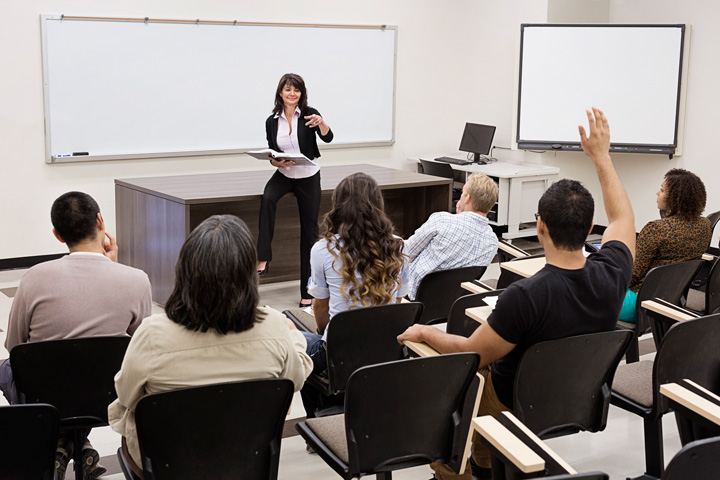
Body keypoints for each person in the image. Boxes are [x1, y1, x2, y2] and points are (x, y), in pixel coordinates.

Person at [397, 108, 636, 480]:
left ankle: (454, 472)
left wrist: (425, 332)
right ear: (590, 227)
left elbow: (470, 354)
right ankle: (487, 462)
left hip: (515, 397)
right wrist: (602, 157)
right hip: (571, 394)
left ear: (539, 226)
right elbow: (622, 220)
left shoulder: (525, 296)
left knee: (461, 385)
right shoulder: (613, 274)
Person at [108, 215, 312, 475]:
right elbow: (295, 380)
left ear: (185, 271)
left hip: (168, 465)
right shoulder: (274, 326)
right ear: (249, 274)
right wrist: (293, 335)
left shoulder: (152, 334)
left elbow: (126, 395)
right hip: (245, 460)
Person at [0, 191, 152, 480]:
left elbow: (14, 346)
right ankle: (77, 442)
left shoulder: (34, 277)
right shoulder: (136, 280)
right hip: (107, 397)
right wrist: (115, 267)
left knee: (6, 369)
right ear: (100, 221)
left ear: (58, 235)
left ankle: (60, 440)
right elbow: (140, 345)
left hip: (44, 397)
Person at [301, 172, 410, 418]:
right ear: (378, 205)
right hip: (386, 349)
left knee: (293, 341)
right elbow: (399, 305)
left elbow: (321, 309)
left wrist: (326, 334)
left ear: (338, 206)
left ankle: (319, 417)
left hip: (338, 351)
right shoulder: (399, 245)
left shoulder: (322, 250)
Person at [256, 73, 334, 308]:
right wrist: (275, 162)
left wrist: (321, 123)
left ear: (301, 94)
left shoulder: (310, 115)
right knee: (267, 198)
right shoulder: (272, 121)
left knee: (308, 233)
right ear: (280, 92)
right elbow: (273, 152)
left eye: (296, 90)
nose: (292, 94)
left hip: (308, 176)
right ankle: (263, 256)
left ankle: (307, 291)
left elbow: (328, 138)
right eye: (288, 90)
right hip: (285, 174)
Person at [619, 168, 711, 322]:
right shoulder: (705, 225)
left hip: (639, 304)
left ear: (675, 198)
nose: (657, 193)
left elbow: (632, 275)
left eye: (661, 190)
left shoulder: (656, 229)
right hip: (671, 300)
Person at [404, 172, 499, 300]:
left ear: (467, 198)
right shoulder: (492, 242)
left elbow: (406, 253)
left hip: (412, 296)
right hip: (453, 302)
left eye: (462, 192)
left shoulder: (442, 220)